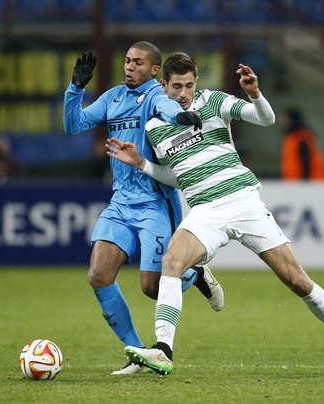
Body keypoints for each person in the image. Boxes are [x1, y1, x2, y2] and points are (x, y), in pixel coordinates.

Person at [105, 52, 324, 376]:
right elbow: (177, 174)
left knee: (297, 281)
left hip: (243, 202)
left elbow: (265, 119)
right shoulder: (157, 126)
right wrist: (143, 164)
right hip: (205, 210)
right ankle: (163, 349)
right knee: (171, 262)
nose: (183, 93)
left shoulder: (213, 102)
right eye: (176, 87)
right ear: (163, 85)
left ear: (196, 81)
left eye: (188, 85)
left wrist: (255, 95)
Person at [63, 42, 224, 375]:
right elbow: (73, 125)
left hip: (155, 203)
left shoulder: (154, 95)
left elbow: (167, 108)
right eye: (126, 60)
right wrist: (75, 87)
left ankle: (194, 276)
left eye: (138, 62)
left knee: (151, 287)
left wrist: (181, 116)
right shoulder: (112, 97)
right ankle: (138, 351)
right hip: (121, 203)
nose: (129, 67)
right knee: (98, 275)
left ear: (154, 71)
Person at [280, 108, 324, 181]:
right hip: (299, 183)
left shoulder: (301, 137)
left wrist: (305, 184)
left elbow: (306, 162)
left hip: (313, 183)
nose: (282, 121)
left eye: (285, 118)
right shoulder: (294, 137)